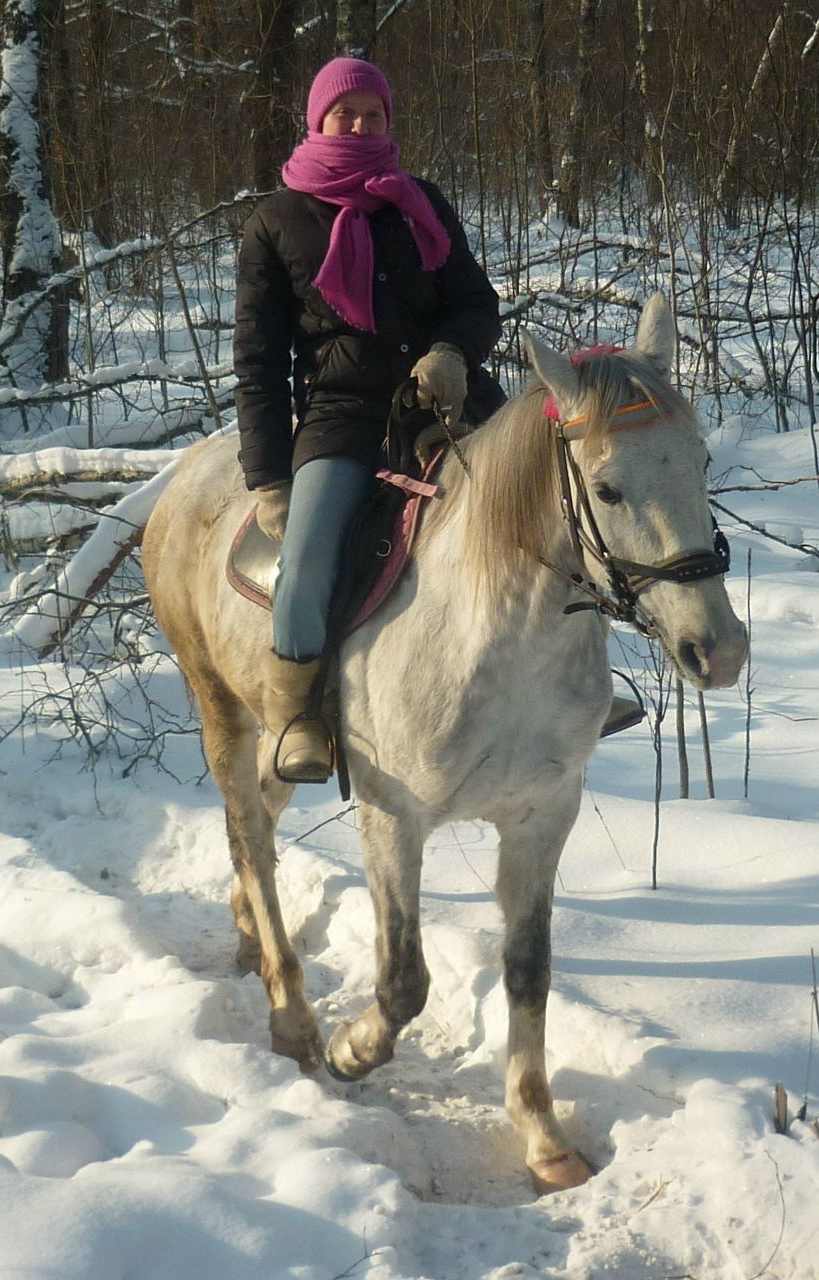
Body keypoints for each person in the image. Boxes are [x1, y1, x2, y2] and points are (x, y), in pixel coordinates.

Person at [234, 57, 503, 784]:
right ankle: (299, 711)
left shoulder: (423, 201)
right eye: (344, 113)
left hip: (450, 402)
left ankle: (573, 681)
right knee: (312, 554)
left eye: (373, 115)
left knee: (543, 507)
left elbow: (476, 301)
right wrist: (267, 479)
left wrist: (453, 350)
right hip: (343, 420)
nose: (359, 125)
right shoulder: (276, 221)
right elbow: (258, 364)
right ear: (316, 119)